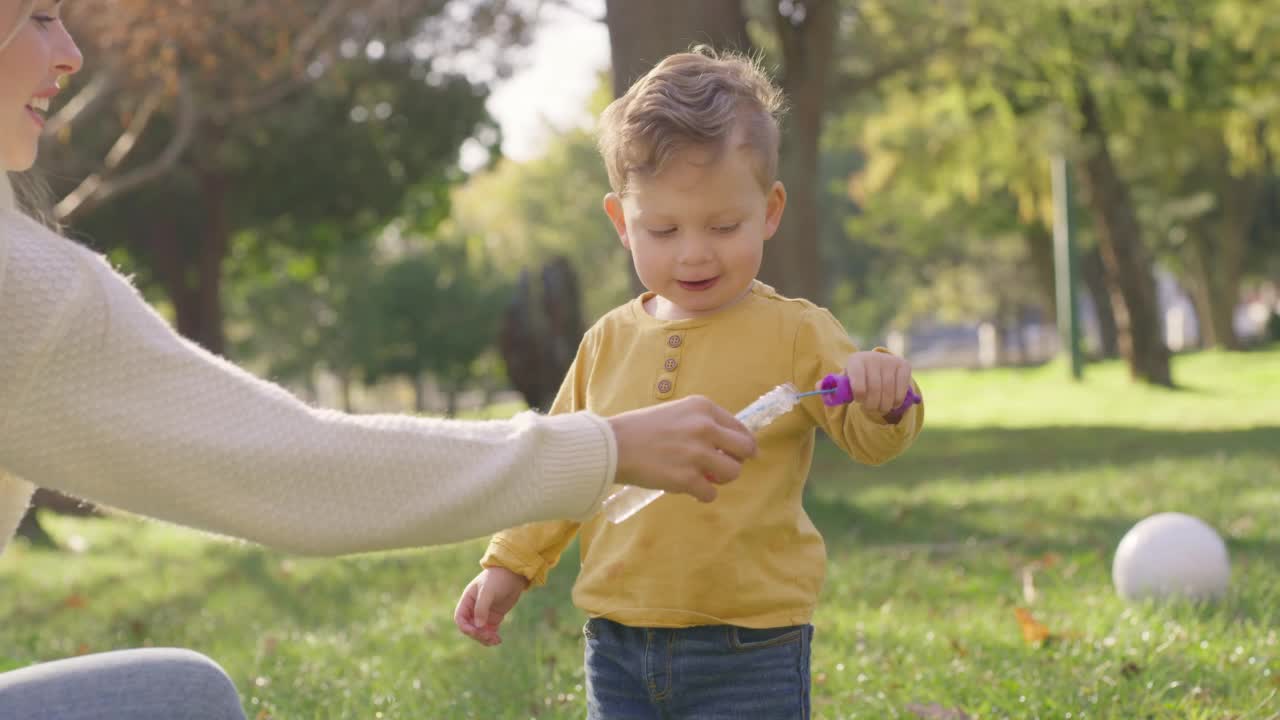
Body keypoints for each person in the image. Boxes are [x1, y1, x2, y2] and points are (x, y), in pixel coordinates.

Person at [0, 3, 758, 718]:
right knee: (182, 702)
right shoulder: (23, 285)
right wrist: (611, 447)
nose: (69, 52)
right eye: (37, 15)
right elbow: (300, 470)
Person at [453, 49, 925, 719]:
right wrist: (509, 567)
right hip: (616, 640)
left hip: (750, 645)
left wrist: (884, 396)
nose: (695, 252)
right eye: (664, 229)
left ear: (769, 210)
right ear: (621, 222)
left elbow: (873, 439)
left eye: (724, 226)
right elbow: (563, 466)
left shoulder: (798, 333)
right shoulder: (607, 342)